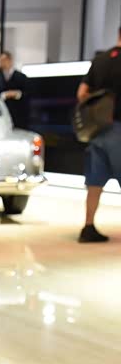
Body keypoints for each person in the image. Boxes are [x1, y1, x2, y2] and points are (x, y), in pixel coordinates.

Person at [76, 26, 121, 243]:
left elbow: (82, 93)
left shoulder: (100, 60)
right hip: (119, 129)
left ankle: (88, 226)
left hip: (97, 130)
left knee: (95, 182)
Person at [0, 51, 29, 128]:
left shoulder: (21, 77)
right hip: (3, 112)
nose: (2, 63)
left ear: (10, 60)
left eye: (4, 60)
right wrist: (4, 95)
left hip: (19, 113)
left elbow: (28, 93)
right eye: (0, 61)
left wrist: (17, 94)